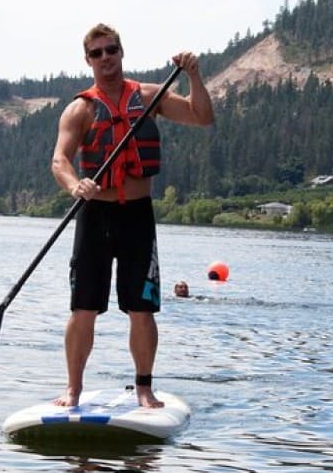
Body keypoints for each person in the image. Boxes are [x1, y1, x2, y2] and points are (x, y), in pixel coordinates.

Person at [50, 23, 214, 408]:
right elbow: (59, 161)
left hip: (138, 216)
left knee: (141, 308)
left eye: (112, 50)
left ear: (121, 52)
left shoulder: (149, 96)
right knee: (84, 307)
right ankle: (73, 388)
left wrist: (194, 74)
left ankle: (144, 387)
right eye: (97, 53)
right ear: (88, 60)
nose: (106, 58)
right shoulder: (81, 110)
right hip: (95, 216)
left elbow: (201, 116)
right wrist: (76, 185)